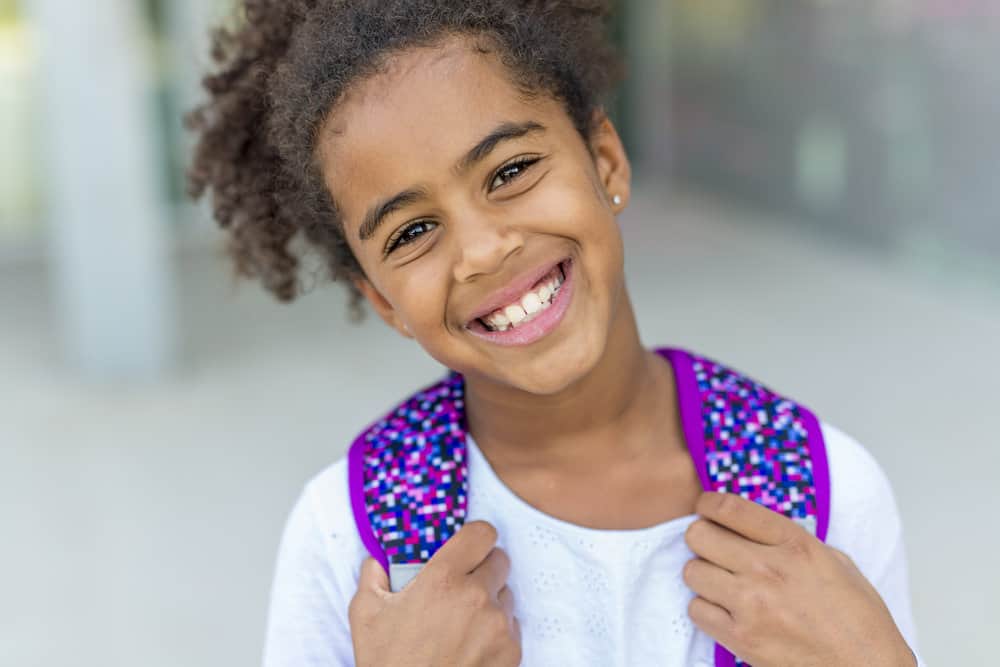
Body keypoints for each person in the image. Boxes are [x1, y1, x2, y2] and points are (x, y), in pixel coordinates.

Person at [187, 1, 923, 665]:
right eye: (412, 230)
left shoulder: (826, 496)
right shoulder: (347, 539)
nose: (482, 250)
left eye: (510, 170)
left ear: (606, 159)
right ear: (383, 299)